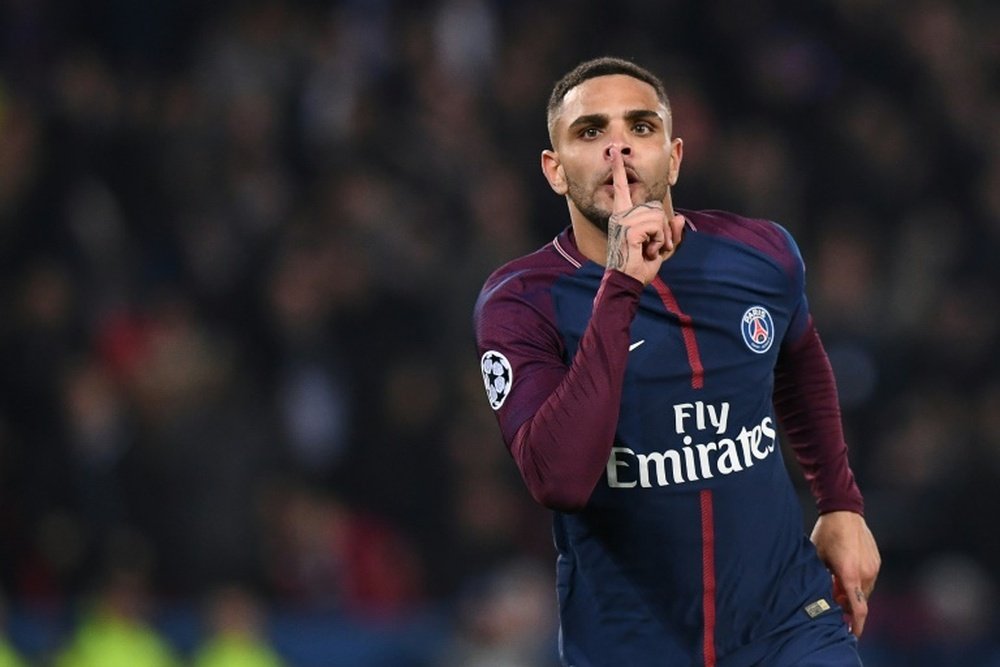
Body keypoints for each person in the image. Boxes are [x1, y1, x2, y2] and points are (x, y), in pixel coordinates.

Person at [473, 56, 881, 666]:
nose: (619, 150)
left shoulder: (761, 254)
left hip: (788, 629)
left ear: (675, 155)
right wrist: (620, 286)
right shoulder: (520, 302)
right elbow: (557, 478)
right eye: (592, 132)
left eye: (640, 128)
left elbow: (799, 363)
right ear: (555, 171)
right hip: (633, 647)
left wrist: (841, 503)